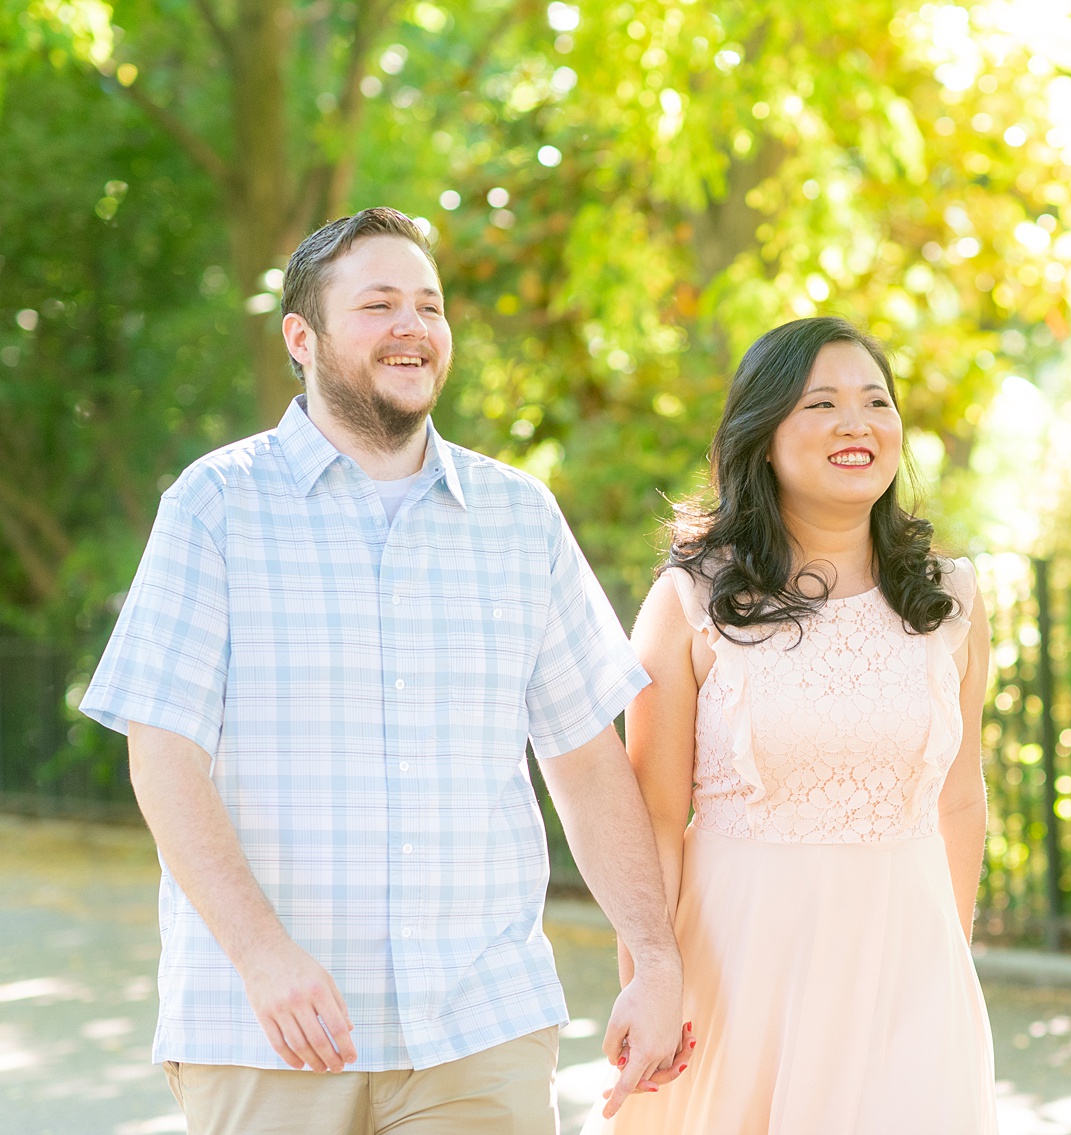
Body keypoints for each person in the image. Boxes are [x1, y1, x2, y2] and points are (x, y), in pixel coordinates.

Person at [80, 207, 687, 1134]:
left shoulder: (520, 518)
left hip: (480, 1026)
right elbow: (163, 757)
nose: (412, 326)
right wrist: (263, 955)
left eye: (429, 305)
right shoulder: (215, 506)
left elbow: (586, 758)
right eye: (377, 304)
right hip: (266, 1025)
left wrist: (652, 956)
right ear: (302, 336)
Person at [588, 317, 998, 1134]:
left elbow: (959, 799)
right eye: (822, 403)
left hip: (909, 970)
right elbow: (656, 819)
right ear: (763, 435)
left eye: (876, 400)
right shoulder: (691, 602)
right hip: (740, 967)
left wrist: (954, 965)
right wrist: (649, 980)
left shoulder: (952, 600)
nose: (858, 422)